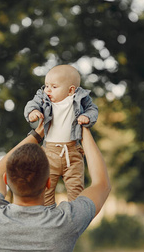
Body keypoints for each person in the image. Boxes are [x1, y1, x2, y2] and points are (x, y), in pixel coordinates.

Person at [0, 121, 111, 252]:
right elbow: (102, 184)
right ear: (48, 183)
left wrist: (36, 134)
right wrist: (82, 131)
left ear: (7, 179)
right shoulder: (64, 223)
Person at [24, 65, 98, 206]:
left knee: (76, 188)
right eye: (46, 85)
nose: (48, 90)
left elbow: (93, 109)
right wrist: (32, 112)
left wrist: (87, 117)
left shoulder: (80, 97)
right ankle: (49, 215)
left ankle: (74, 218)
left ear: (70, 90)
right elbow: (32, 104)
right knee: (45, 188)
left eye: (53, 86)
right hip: (49, 152)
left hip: (73, 153)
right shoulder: (44, 97)